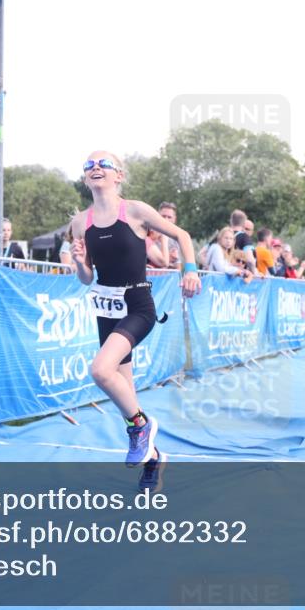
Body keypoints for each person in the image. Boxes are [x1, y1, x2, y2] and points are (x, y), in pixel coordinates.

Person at [70, 151, 201, 491]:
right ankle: (154, 458)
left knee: (100, 371)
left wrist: (189, 270)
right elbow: (86, 278)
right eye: (89, 165)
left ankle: (141, 428)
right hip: (105, 308)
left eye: (104, 164)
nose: (96, 168)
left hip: (136, 305)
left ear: (119, 175)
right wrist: (81, 262)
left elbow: (182, 236)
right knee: (124, 391)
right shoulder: (79, 223)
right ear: (85, 178)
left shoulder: (137, 211)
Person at [158, 202, 181, 268]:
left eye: (169, 217)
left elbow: (178, 267)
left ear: (174, 219)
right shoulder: (148, 234)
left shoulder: (176, 239)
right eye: (163, 216)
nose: (166, 219)